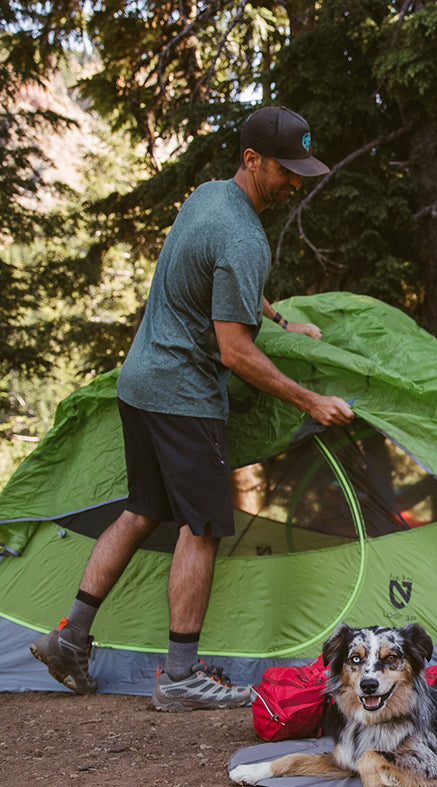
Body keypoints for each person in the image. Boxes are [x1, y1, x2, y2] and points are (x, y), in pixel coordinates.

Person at [30, 106, 354, 711]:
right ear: (252, 160)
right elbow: (235, 351)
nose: (295, 182)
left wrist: (281, 319)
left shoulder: (208, 198)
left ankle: (70, 639)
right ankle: (180, 674)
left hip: (140, 381)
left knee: (140, 510)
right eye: (287, 170)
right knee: (201, 525)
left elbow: (218, 277)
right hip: (183, 397)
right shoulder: (243, 234)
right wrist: (312, 400)